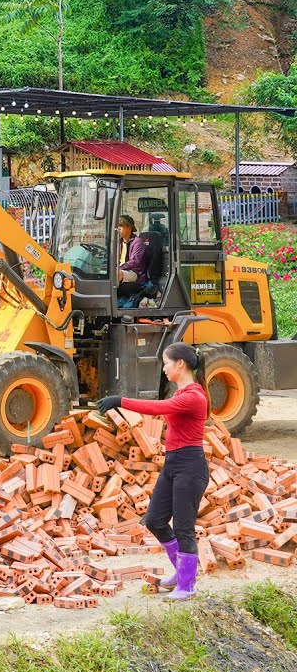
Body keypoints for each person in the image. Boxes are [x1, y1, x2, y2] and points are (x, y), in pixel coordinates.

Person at [97, 342, 208, 601]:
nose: (164, 368)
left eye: (166, 363)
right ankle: (181, 573)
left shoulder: (194, 396)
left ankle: (187, 585)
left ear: (180, 364)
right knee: (155, 520)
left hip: (191, 467)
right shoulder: (182, 393)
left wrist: (120, 401)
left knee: (183, 527)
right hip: (173, 464)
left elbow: (158, 408)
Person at [116, 215, 147, 306]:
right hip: (122, 270)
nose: (118, 228)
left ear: (129, 228)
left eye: (121, 226)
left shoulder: (138, 242)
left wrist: (119, 268)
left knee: (116, 274)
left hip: (134, 273)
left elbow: (134, 262)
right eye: (117, 226)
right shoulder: (119, 242)